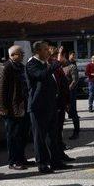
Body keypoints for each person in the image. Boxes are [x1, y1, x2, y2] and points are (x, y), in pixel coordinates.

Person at [25, 41, 72, 173]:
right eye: (45, 50)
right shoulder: (32, 64)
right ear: (38, 51)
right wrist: (55, 64)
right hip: (38, 106)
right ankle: (42, 163)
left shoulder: (45, 63)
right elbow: (41, 76)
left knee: (53, 135)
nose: (48, 52)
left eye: (48, 49)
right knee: (40, 137)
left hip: (51, 105)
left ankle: (56, 161)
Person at [0, 45, 31, 170]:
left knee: (23, 134)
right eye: (20, 53)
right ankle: (13, 161)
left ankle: (21, 158)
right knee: (13, 136)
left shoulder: (21, 67)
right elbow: (0, 89)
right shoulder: (5, 67)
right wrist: (3, 109)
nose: (23, 55)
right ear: (13, 55)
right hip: (11, 108)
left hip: (23, 106)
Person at [51, 47, 75, 162]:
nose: (63, 58)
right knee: (55, 133)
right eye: (60, 55)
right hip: (54, 105)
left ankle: (60, 154)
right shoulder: (52, 67)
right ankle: (56, 156)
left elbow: (64, 86)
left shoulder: (59, 68)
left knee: (59, 131)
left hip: (61, 103)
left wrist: (67, 102)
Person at [64, 52, 81, 139]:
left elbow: (75, 80)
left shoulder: (72, 66)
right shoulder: (59, 66)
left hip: (70, 93)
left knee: (73, 112)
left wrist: (68, 90)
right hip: (61, 93)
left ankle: (76, 132)